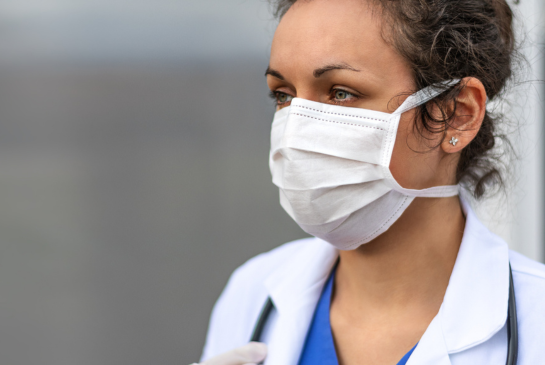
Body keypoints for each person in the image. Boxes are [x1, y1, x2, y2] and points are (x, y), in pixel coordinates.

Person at [196, 0, 545, 364]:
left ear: (457, 114)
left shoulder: (536, 323)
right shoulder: (251, 295)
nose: (296, 129)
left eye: (341, 92)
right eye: (284, 96)